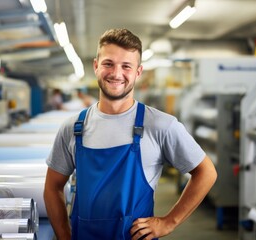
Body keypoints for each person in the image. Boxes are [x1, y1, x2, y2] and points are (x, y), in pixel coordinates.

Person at [43, 28, 217, 240]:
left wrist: (168, 223)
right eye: (108, 63)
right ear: (96, 66)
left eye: (126, 66)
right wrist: (64, 236)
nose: (116, 73)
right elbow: (52, 187)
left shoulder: (160, 125)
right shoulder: (73, 128)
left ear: (138, 72)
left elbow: (206, 172)